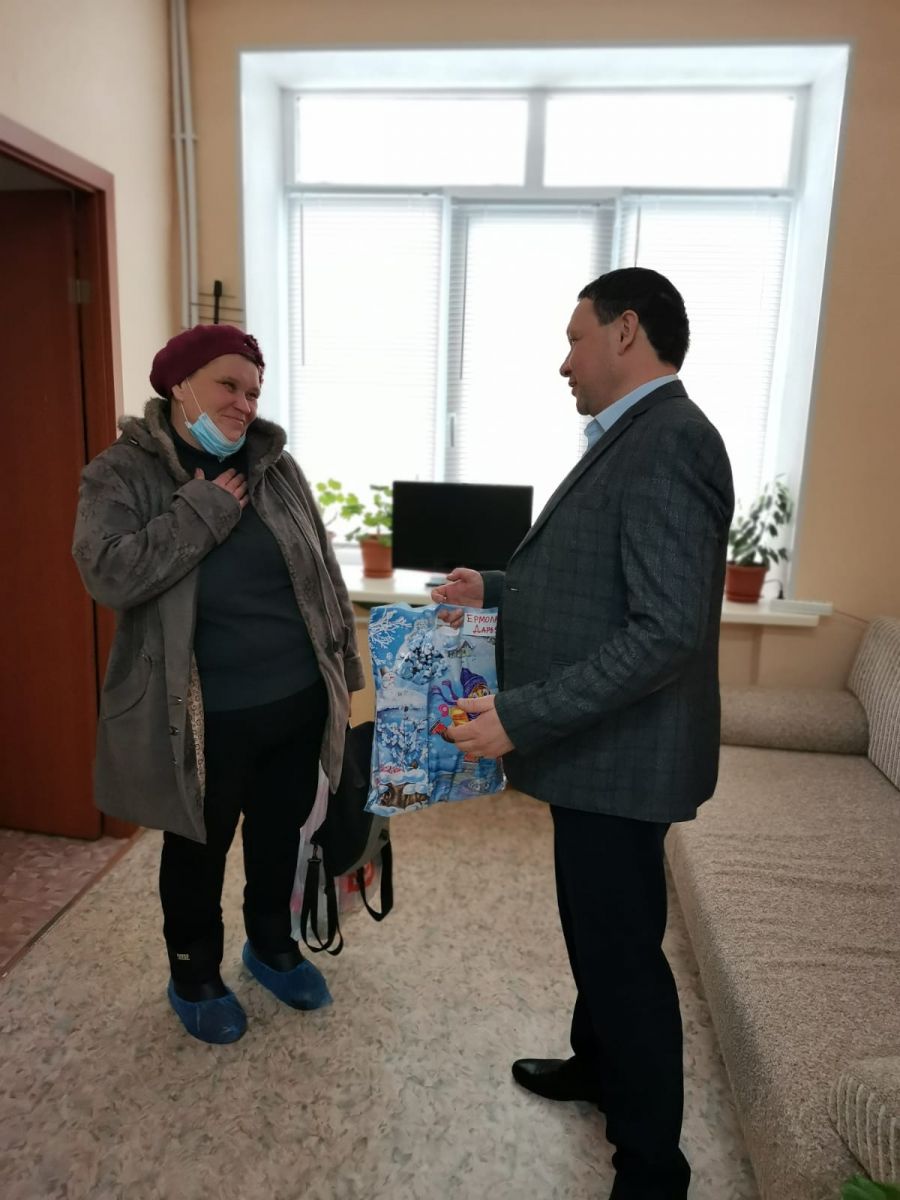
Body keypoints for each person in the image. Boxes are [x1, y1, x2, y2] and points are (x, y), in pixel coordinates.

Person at [432, 268, 734, 1200]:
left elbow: (665, 632)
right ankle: (597, 1067)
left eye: (575, 338)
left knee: (621, 955)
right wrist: (496, 588)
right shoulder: (635, 435)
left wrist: (520, 716)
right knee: (597, 932)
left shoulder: (671, 440)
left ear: (626, 331)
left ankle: (652, 1171)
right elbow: (593, 587)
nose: (564, 362)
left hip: (622, 761)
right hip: (603, 756)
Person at [73, 324, 364, 1045]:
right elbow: (107, 574)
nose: (244, 403)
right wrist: (201, 514)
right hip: (204, 713)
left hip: (295, 700)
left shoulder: (275, 465)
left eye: (254, 391)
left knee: (280, 834)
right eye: (228, 385)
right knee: (196, 850)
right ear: (180, 386)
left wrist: (344, 676)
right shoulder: (122, 473)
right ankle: (194, 971)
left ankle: (270, 943)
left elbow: (322, 569)